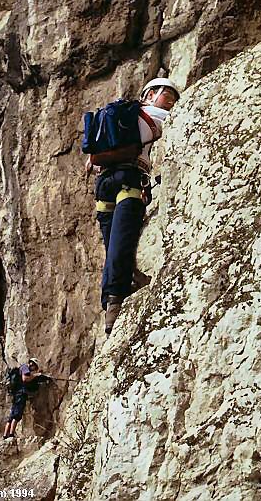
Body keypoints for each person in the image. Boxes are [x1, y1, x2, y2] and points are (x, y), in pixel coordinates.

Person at [86, 78, 180, 335]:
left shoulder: (119, 117)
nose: (171, 103)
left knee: (111, 244)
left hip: (104, 184)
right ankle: (115, 302)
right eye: (167, 97)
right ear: (150, 95)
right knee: (121, 241)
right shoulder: (156, 114)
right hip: (129, 180)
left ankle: (113, 297)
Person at [2, 357, 43, 439]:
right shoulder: (25, 367)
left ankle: (5, 435)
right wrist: (35, 375)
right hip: (20, 395)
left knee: (12, 416)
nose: (34, 369)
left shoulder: (22, 368)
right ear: (33, 364)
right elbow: (25, 379)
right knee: (16, 415)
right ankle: (11, 435)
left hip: (16, 394)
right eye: (35, 367)